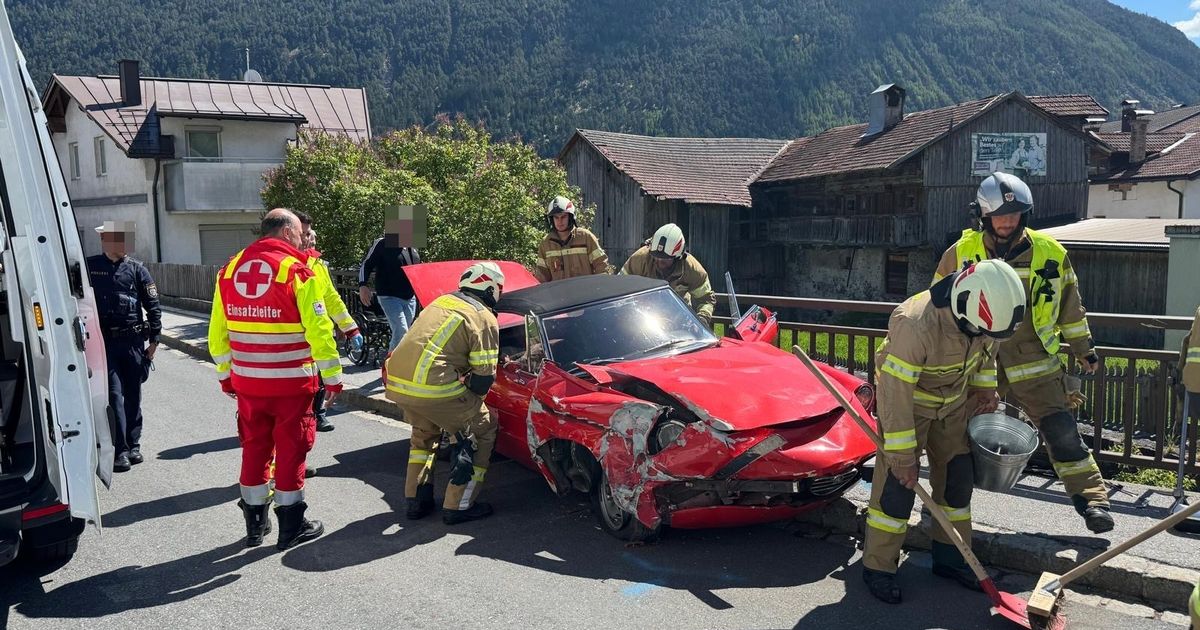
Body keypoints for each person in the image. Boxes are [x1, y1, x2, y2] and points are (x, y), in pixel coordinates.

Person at [932, 172, 1113, 534]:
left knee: (1061, 431)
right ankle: (951, 508)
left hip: (1035, 360)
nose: (1007, 223)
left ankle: (1093, 502)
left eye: (1014, 216)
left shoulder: (1051, 253)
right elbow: (937, 304)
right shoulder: (961, 252)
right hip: (977, 359)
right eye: (999, 216)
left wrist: (1084, 350)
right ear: (983, 217)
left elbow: (1069, 308)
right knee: (954, 432)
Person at [865, 259, 1026, 604]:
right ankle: (878, 567)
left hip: (953, 404)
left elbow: (987, 354)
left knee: (957, 479)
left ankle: (951, 559)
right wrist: (903, 457)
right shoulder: (915, 323)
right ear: (966, 307)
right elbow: (895, 395)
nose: (987, 335)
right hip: (909, 406)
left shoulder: (985, 318)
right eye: (982, 329)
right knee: (896, 488)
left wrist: (985, 388)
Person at [208, 208, 342, 550]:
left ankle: (255, 526)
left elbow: (218, 332)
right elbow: (319, 329)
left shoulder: (229, 269)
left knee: (254, 448)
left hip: (249, 384)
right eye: (299, 233)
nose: (301, 240)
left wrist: (226, 376)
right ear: (285, 232)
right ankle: (291, 527)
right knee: (292, 449)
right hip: (292, 384)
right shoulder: (297, 271)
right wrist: (333, 377)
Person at [384, 262, 503, 525]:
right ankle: (458, 505)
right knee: (483, 429)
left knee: (424, 435)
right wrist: (466, 418)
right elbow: (484, 378)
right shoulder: (483, 316)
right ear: (491, 286)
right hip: (435, 387)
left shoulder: (441, 302)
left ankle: (416, 500)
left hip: (398, 383)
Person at [86, 221, 161, 473]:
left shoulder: (138, 270)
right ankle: (120, 450)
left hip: (132, 343)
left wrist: (155, 340)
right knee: (113, 395)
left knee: (133, 394)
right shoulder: (90, 267)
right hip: (104, 343)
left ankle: (133, 444)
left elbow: (153, 306)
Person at [296, 211, 362, 432]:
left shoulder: (317, 263)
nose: (307, 239)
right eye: (304, 234)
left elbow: (332, 298)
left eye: (309, 234)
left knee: (321, 378)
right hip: (295, 336)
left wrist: (350, 328)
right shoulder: (285, 265)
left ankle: (318, 414)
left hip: (319, 331)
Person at [619, 223, 716, 327]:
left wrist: (702, 320)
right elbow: (618, 287)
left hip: (679, 323)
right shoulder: (640, 259)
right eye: (656, 257)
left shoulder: (691, 269)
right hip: (641, 320)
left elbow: (706, 300)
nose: (659, 262)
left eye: (665, 259)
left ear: (678, 257)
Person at [358, 228, 420, 354]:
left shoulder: (412, 248)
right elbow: (367, 264)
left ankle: (399, 364)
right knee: (401, 330)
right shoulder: (382, 243)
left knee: (406, 333)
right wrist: (363, 285)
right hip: (389, 296)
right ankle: (390, 366)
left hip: (409, 298)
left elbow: (417, 271)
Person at [533, 196, 609, 282]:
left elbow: (601, 266)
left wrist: (600, 288)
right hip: (559, 294)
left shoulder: (586, 238)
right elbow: (541, 276)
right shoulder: (546, 244)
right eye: (556, 217)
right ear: (551, 219)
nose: (559, 221)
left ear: (571, 217)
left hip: (586, 293)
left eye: (563, 217)